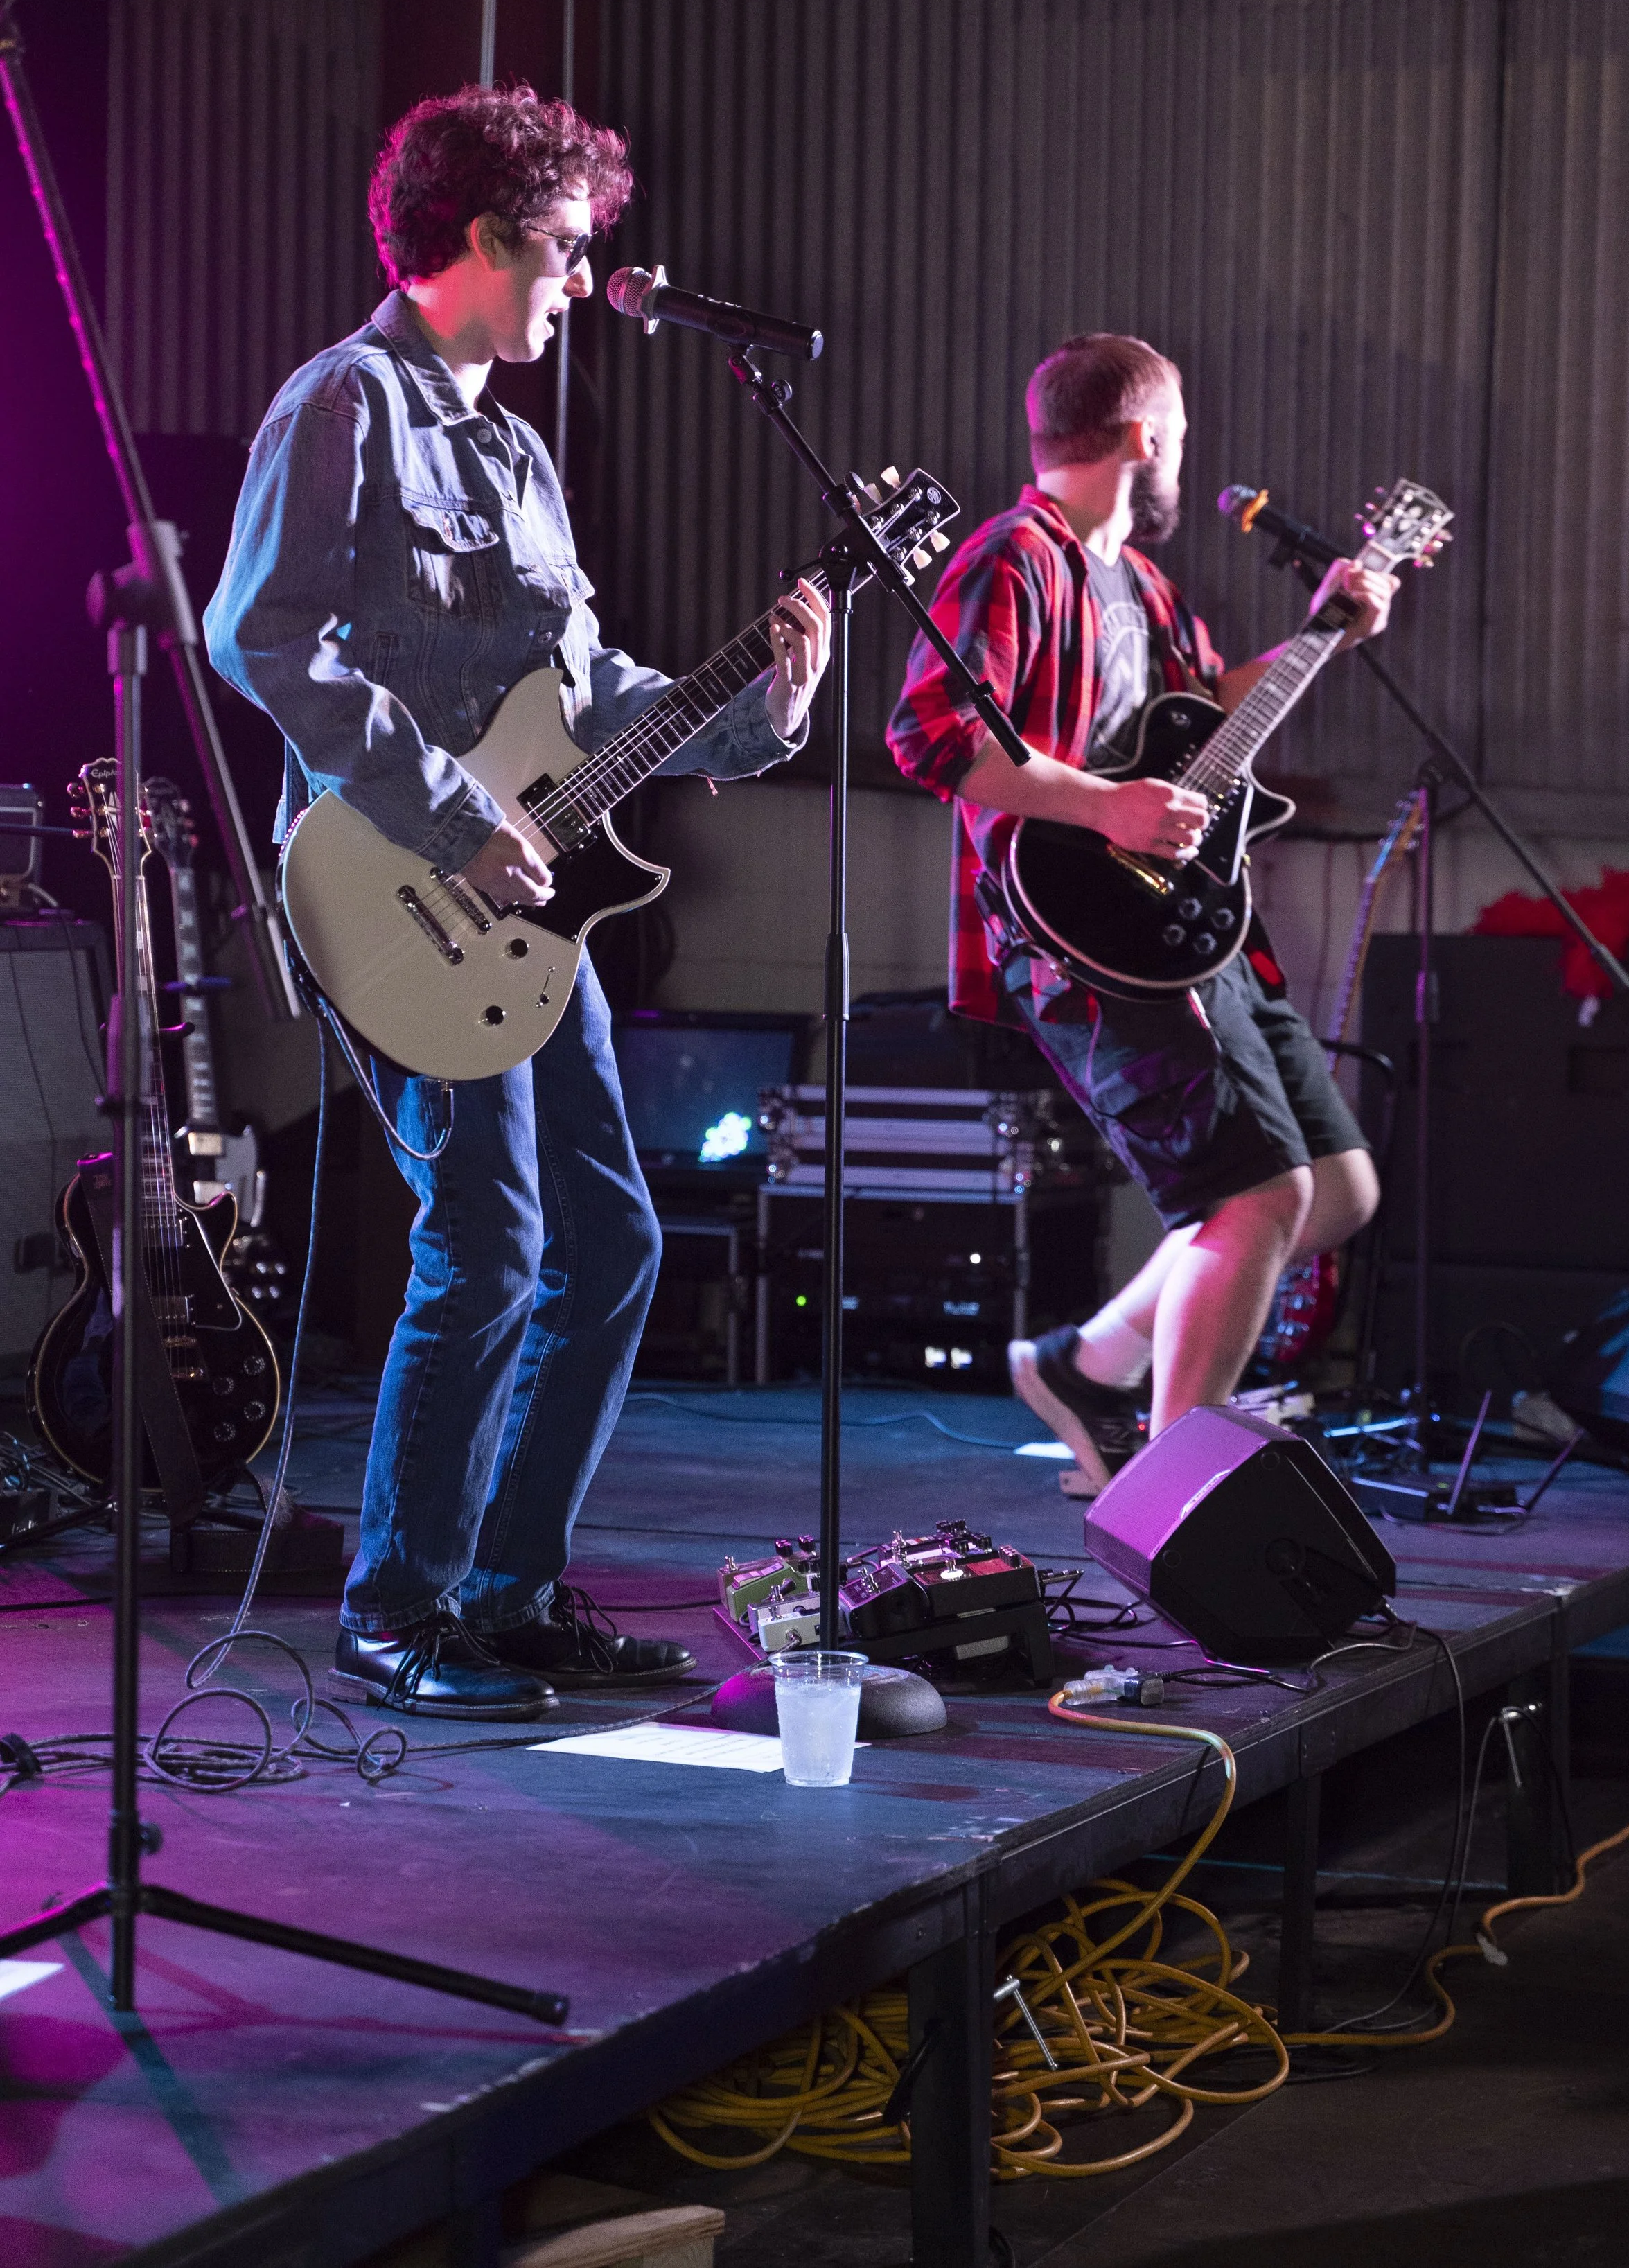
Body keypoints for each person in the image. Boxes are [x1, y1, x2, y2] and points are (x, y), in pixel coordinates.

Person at [206, 84, 830, 1717]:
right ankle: (392, 1609)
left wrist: (762, 702)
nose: (577, 285)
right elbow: (261, 639)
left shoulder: (520, 445)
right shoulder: (343, 402)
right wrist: (452, 812)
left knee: (610, 1240)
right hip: (399, 884)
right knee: (486, 1241)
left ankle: (511, 1587)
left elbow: (585, 684)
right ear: (479, 237)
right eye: (561, 252)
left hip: (528, 906)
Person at [887, 333, 1395, 1496]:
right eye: (1177, 438)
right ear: (1147, 436)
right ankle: (1176, 1501)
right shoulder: (1014, 555)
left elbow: (1206, 713)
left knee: (1338, 1186)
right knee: (1259, 1195)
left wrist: (1324, 631)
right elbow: (931, 734)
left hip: (1185, 922)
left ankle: (1091, 1363)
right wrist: (1106, 806)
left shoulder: (1147, 584)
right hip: (1080, 935)